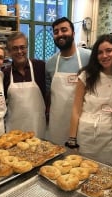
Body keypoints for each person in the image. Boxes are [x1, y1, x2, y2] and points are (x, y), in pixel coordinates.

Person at [67, 34, 112, 165]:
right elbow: (76, 109)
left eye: (109, 50)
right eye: (100, 52)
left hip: (110, 138)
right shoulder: (86, 75)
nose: (104, 56)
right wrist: (72, 140)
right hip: (85, 136)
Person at [46, 17, 91, 145]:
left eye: (64, 30)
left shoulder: (88, 57)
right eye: (56, 32)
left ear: (73, 33)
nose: (60, 34)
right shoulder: (50, 63)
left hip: (82, 123)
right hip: (57, 124)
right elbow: (48, 94)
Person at [2, 32, 46, 138]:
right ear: (9, 52)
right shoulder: (5, 73)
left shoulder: (40, 67)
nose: (19, 51)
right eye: (15, 48)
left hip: (38, 126)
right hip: (14, 130)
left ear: (27, 48)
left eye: (22, 47)